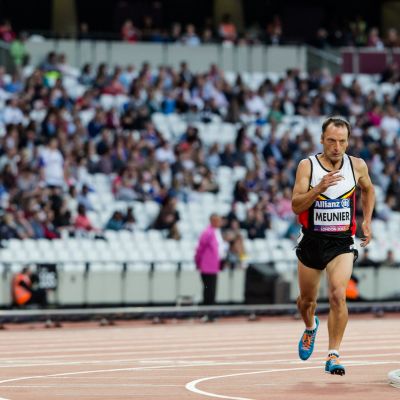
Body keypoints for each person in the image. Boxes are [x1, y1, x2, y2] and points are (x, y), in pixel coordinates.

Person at [292, 116, 375, 375]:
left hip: (341, 242)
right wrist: (320, 187)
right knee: (307, 301)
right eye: (331, 141)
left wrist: (367, 221)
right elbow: (296, 205)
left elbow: (368, 190)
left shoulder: (357, 165)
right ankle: (310, 327)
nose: (336, 147)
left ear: (348, 141)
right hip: (312, 240)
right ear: (322, 140)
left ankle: (333, 355)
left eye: (342, 141)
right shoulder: (307, 166)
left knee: (339, 294)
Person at [194, 214, 227, 321]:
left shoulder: (216, 232)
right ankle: (207, 313)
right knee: (208, 290)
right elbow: (200, 249)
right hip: (207, 267)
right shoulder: (207, 232)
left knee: (211, 291)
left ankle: (211, 314)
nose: (219, 222)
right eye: (217, 220)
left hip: (213, 266)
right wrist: (198, 262)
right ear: (212, 221)